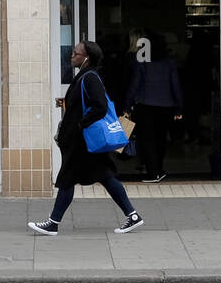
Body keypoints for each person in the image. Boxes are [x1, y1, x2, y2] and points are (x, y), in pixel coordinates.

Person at [29, 40, 143, 236]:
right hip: (84, 141)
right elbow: (85, 104)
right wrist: (67, 104)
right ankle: (132, 215)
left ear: (86, 58)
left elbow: (100, 106)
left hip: (83, 142)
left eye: (76, 53)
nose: (72, 56)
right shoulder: (85, 77)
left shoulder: (89, 78)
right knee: (105, 175)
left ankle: (53, 223)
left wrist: (80, 124)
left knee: (67, 178)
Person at [124, 31, 183, 183]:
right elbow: (175, 85)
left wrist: (126, 105)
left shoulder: (142, 63)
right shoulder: (169, 63)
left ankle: (153, 172)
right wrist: (179, 107)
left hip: (145, 105)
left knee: (147, 140)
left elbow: (134, 85)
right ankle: (159, 169)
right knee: (161, 139)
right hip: (166, 106)